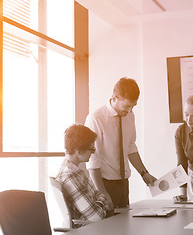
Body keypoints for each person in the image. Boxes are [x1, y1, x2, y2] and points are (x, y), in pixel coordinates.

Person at [85, 77, 156, 208]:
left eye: (133, 106)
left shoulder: (129, 116)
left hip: (123, 182)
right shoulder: (95, 118)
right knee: (108, 227)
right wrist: (102, 193)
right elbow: (92, 161)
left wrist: (144, 173)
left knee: (124, 224)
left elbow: (130, 147)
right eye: (127, 106)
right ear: (114, 98)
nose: (129, 111)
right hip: (104, 183)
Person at [56, 124, 113, 225]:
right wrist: (102, 200)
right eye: (92, 149)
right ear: (78, 152)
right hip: (88, 229)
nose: (92, 153)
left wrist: (98, 200)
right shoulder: (70, 176)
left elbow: (98, 195)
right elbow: (96, 217)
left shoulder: (74, 171)